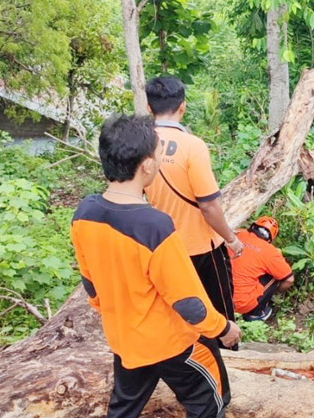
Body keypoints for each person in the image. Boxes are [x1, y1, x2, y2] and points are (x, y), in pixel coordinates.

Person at [70, 115, 240, 418]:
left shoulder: (85, 212)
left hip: (125, 341)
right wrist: (224, 328)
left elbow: (91, 284)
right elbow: (189, 304)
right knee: (211, 403)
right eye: (159, 151)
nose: (162, 156)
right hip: (173, 345)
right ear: (147, 165)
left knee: (123, 409)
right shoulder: (154, 227)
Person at [143, 76, 244, 342]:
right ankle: (225, 366)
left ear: (148, 107)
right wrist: (231, 239)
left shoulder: (139, 144)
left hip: (162, 245)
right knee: (218, 313)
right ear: (183, 107)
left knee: (175, 312)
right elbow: (208, 206)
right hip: (202, 247)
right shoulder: (192, 146)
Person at [228, 216, 295, 321]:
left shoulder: (236, 234)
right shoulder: (270, 252)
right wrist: (277, 292)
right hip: (241, 303)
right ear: (270, 239)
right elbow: (289, 280)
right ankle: (256, 313)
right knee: (279, 275)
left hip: (216, 296)